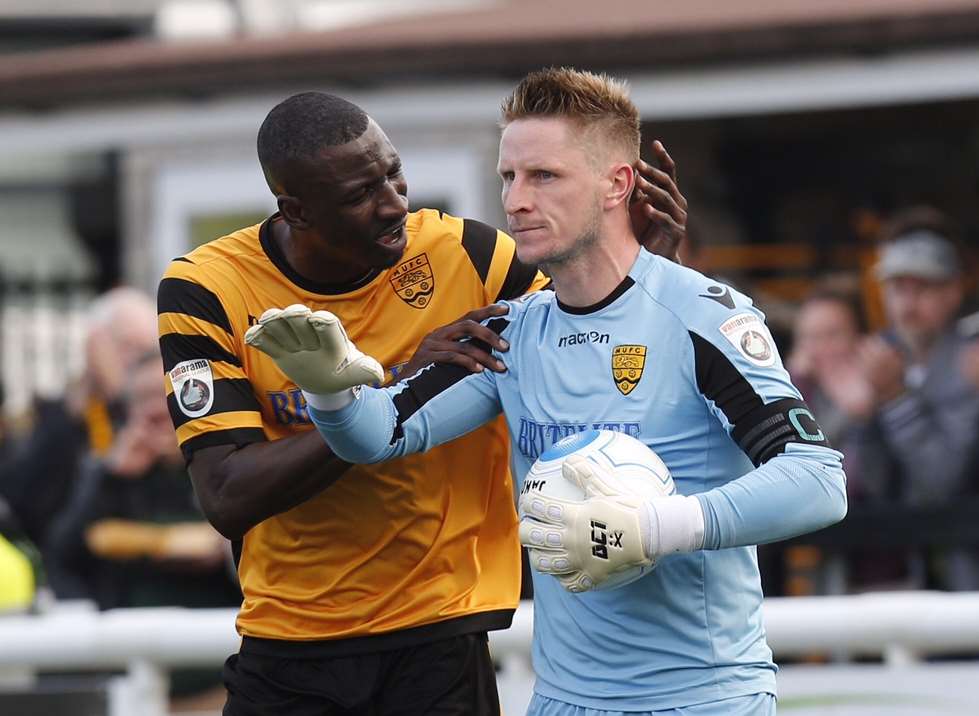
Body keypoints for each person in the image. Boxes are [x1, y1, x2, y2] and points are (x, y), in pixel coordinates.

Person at [249, 68, 847, 715]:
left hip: (700, 698)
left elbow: (817, 480)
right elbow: (377, 436)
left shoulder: (701, 316)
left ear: (616, 184)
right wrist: (330, 393)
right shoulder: (511, 331)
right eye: (509, 177)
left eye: (544, 177)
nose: (515, 201)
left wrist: (655, 526)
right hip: (562, 701)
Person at [157, 90, 687, 715]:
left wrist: (646, 267)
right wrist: (386, 397)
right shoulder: (207, 287)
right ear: (295, 210)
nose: (394, 204)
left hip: (442, 635)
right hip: (290, 642)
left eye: (393, 172)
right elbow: (226, 494)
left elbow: (604, 355)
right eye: (360, 195)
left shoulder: (469, 254)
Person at [857, 208, 979, 589]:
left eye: (922, 287)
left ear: (954, 290)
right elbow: (871, 485)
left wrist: (894, 399)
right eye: (897, 288)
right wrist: (859, 415)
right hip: (906, 574)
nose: (907, 303)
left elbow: (938, 484)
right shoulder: (883, 356)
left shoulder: (969, 358)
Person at [0, 287, 158, 563]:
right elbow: (23, 502)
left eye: (146, 350)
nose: (135, 361)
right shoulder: (54, 416)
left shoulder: (155, 418)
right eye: (127, 346)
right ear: (93, 344)